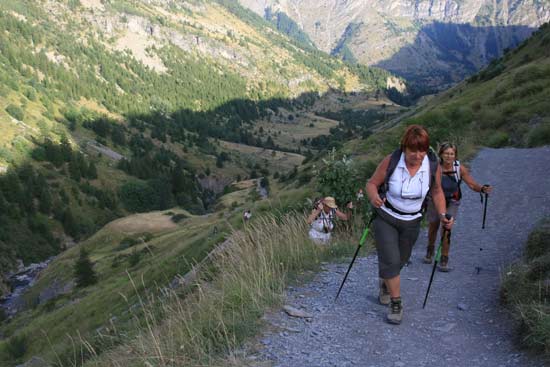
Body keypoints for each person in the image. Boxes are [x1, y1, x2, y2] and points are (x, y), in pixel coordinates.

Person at [366, 125, 454, 325]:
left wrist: (442, 214)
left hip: (412, 221)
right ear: (404, 148)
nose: (417, 155)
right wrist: (373, 198)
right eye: (413, 150)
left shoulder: (432, 165)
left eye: (422, 150)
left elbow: (437, 191)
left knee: (401, 260)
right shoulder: (392, 161)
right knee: (390, 258)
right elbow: (372, 184)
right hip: (386, 217)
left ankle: (386, 283)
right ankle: (396, 303)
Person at [423, 142, 493, 271]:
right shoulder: (435, 168)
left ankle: (444, 259)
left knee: (446, 229)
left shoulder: (459, 169)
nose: (449, 156)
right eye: (446, 154)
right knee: (433, 226)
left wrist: (482, 189)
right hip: (434, 201)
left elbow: (472, 184)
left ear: (455, 155)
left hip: (452, 201)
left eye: (452, 154)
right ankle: (430, 249)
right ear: (441, 155)